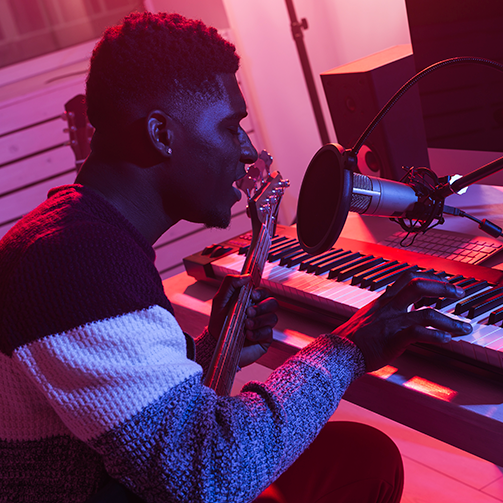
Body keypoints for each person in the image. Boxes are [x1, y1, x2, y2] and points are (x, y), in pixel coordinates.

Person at [0, 11, 472, 503]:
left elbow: (132, 417)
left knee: (360, 455)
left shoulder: (88, 237)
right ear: (162, 134)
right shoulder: (71, 263)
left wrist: (205, 353)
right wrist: (349, 347)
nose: (248, 152)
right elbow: (207, 474)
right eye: (231, 128)